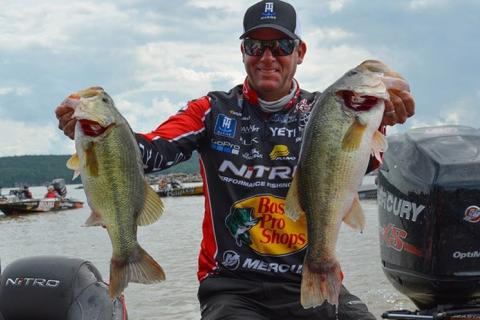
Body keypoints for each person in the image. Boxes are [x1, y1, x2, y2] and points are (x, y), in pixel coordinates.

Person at [55, 1, 415, 319]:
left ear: (300, 51)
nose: (267, 56)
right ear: (242, 51)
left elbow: (360, 167)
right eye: (255, 45)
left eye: (280, 45)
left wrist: (380, 121)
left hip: (310, 275)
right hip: (232, 288)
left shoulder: (328, 112)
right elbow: (149, 153)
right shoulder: (211, 110)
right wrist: (98, 134)